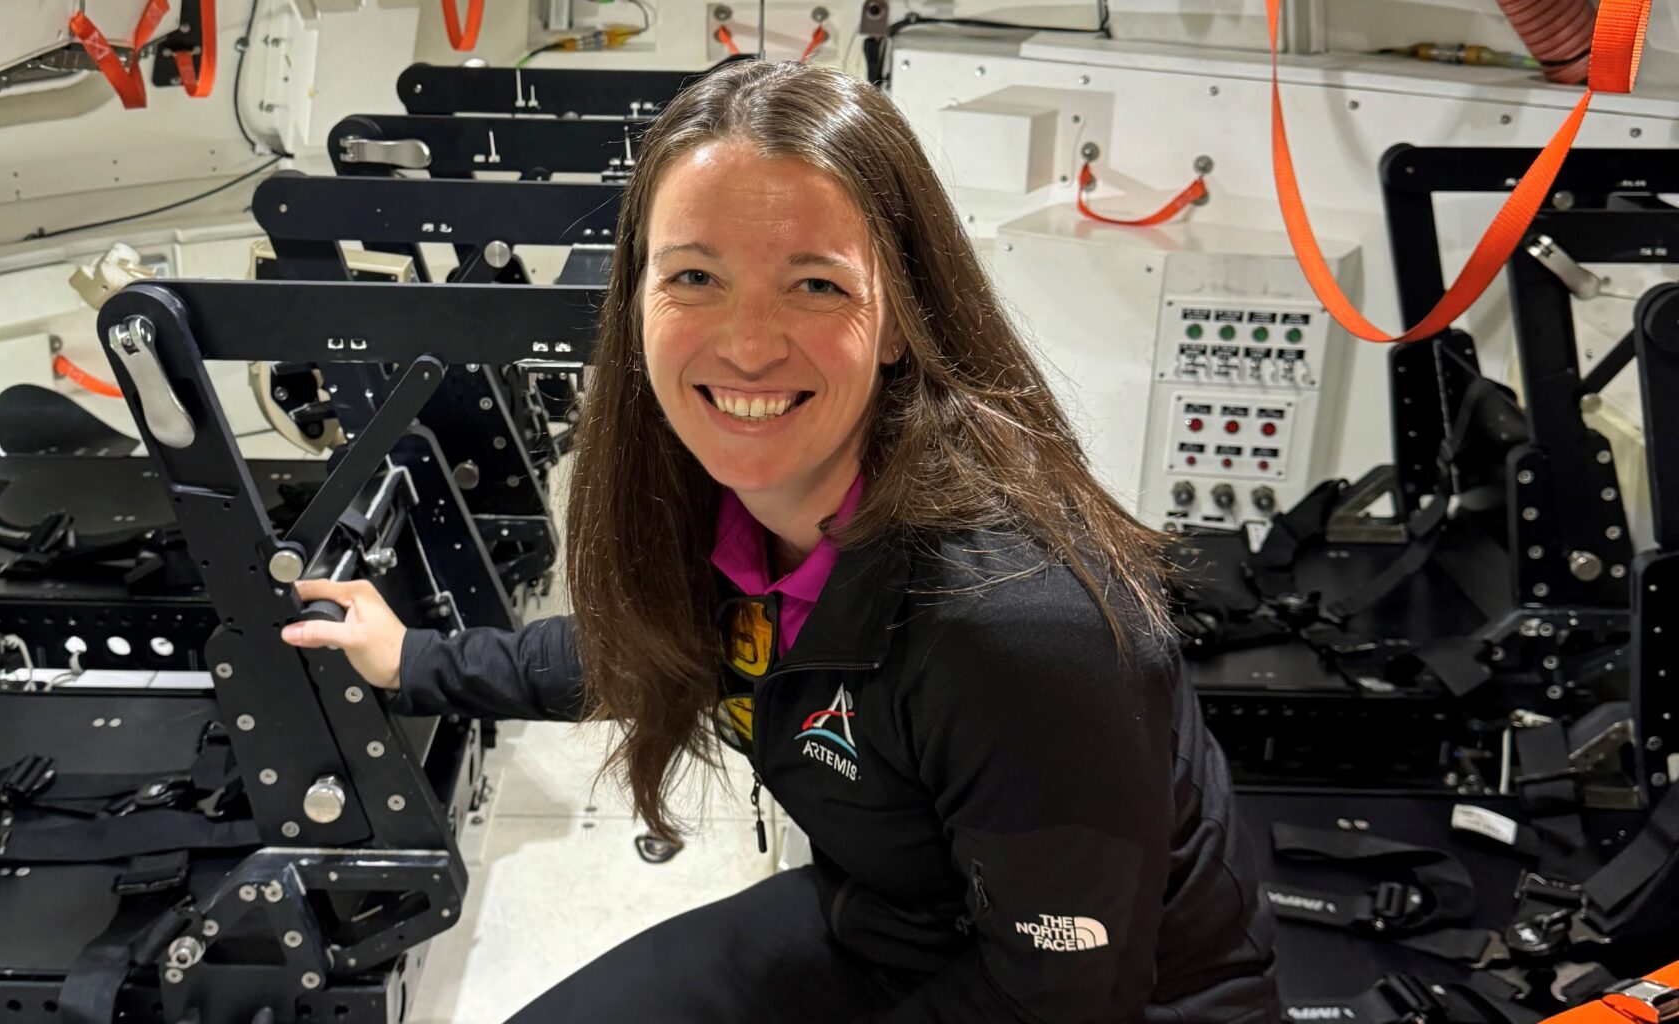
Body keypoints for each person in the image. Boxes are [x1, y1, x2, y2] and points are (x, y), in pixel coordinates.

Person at [282, 59, 1278, 1023]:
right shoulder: (726, 505)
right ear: (635, 307)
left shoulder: (1019, 629)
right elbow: (653, 639)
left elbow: (1061, 993)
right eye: (696, 276)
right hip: (894, 917)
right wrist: (415, 659)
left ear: (898, 322)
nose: (748, 343)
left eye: (814, 285)